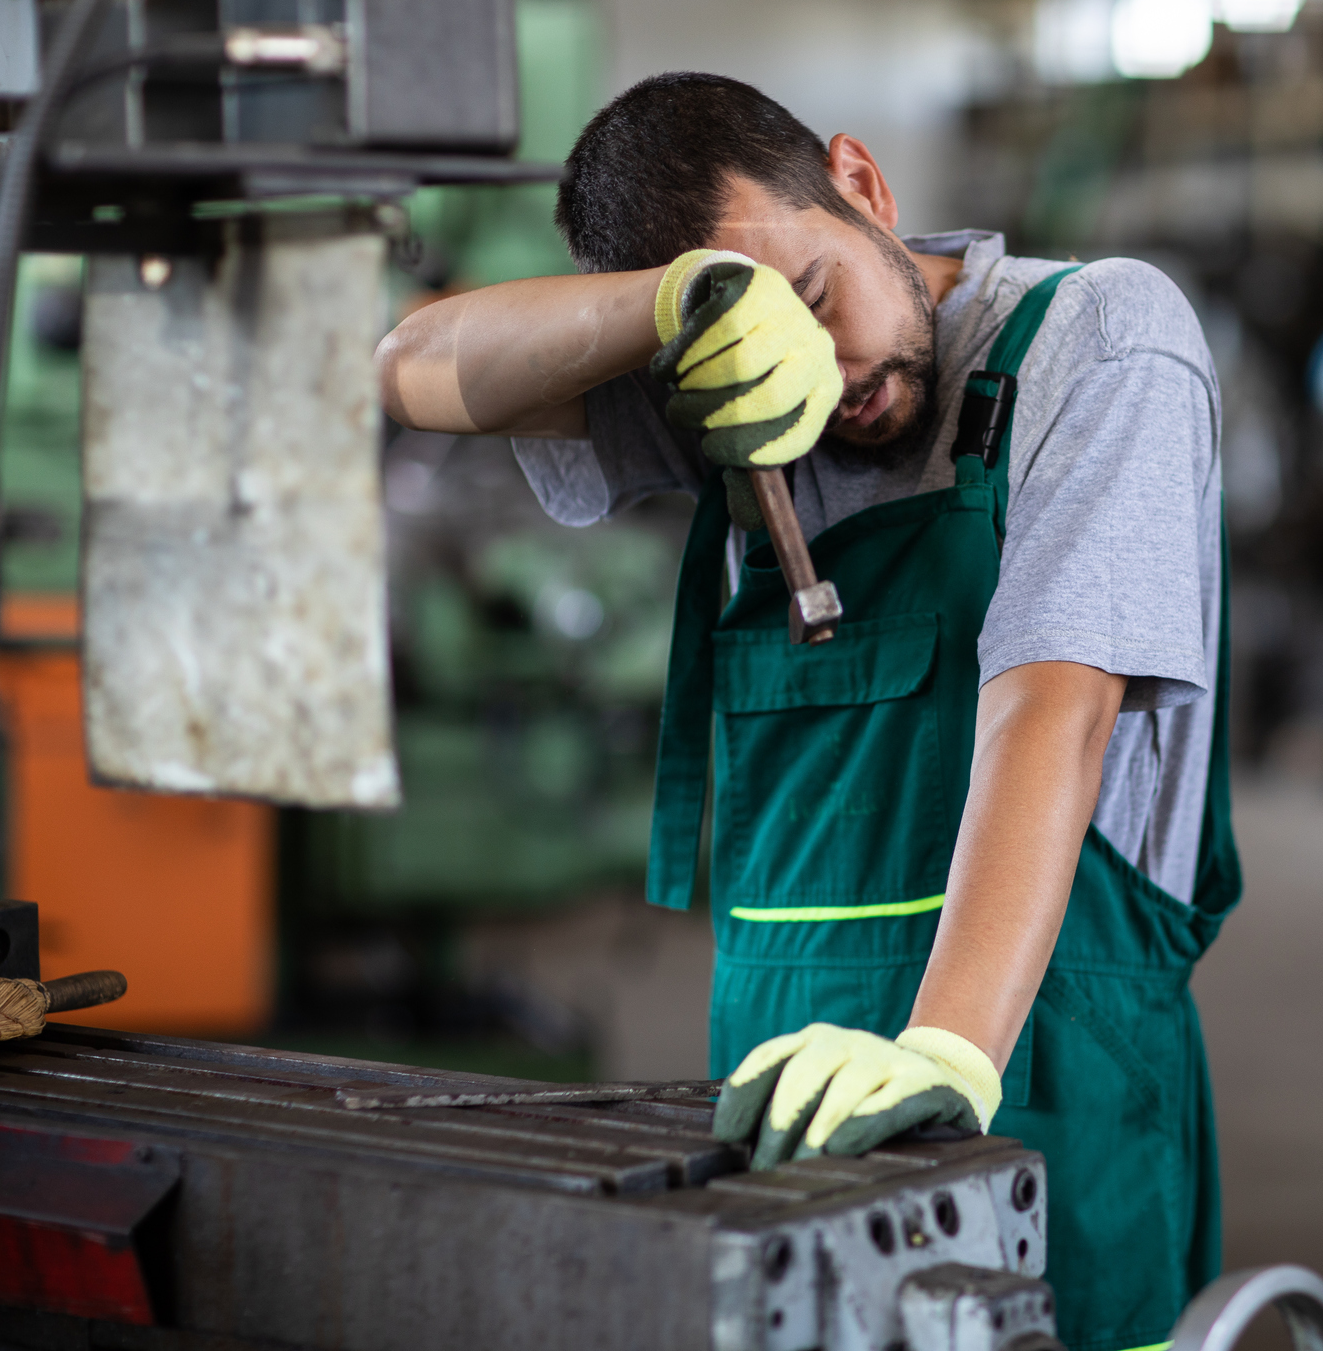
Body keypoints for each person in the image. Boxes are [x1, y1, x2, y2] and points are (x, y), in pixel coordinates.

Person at [377, 72, 1241, 1351]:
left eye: (819, 295)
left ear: (863, 184)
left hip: (1039, 1068)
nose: (828, 372)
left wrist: (947, 1052)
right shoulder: (731, 385)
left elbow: (1053, 709)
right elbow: (411, 367)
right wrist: (675, 311)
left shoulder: (1101, 339)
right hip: (782, 1087)